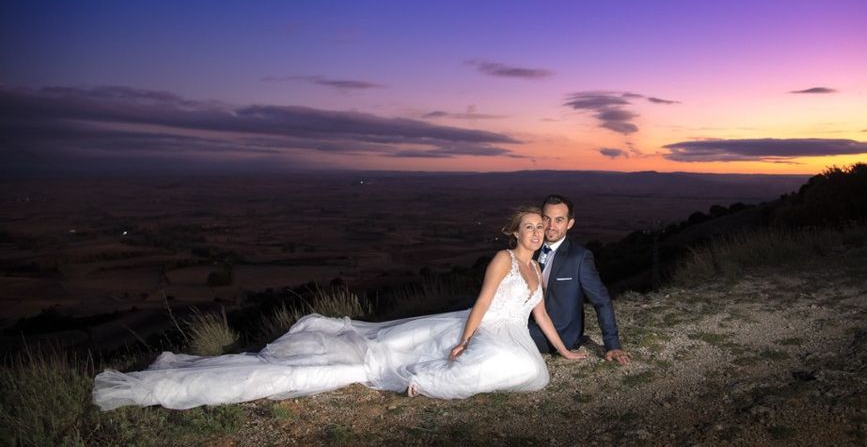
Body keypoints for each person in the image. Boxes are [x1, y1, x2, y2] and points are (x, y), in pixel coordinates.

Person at [93, 207, 585, 411]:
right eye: (529, 227)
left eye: (542, 227)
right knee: (370, 357)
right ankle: (426, 376)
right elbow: (480, 303)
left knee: (531, 370)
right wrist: (464, 337)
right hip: (479, 327)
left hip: (513, 333)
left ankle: (440, 370)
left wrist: (564, 353)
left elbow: (538, 316)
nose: (537, 232)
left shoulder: (536, 270)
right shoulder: (502, 259)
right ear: (513, 232)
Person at [528, 194, 631, 365]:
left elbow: (602, 301)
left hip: (560, 333)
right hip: (531, 323)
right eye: (547, 219)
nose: (551, 226)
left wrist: (612, 344)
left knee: (499, 331)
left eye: (559, 220)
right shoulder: (531, 249)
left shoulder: (579, 257)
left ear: (570, 223)